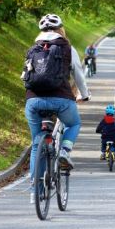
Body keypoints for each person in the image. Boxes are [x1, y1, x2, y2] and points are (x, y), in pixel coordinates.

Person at [24, 14, 90, 203]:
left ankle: (34, 191)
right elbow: (78, 73)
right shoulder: (68, 48)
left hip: (34, 101)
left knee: (37, 144)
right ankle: (64, 152)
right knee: (74, 124)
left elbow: (26, 75)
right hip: (61, 100)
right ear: (61, 29)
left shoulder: (33, 49)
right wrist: (84, 95)